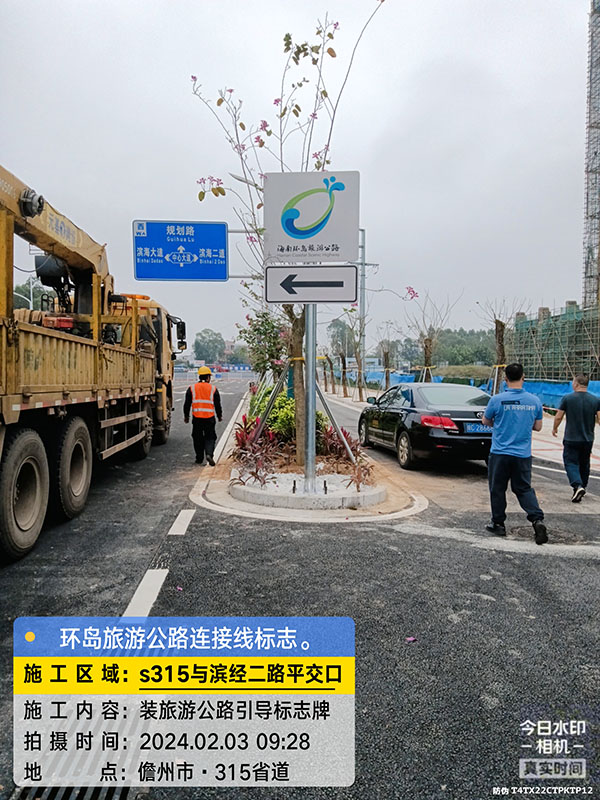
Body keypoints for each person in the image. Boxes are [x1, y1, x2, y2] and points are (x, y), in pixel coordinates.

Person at [482, 363, 548, 545]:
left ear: (505, 379)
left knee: (497, 488)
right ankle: (537, 520)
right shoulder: (534, 401)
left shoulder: (496, 400)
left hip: (500, 453)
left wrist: (500, 423)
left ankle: (498, 524)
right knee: (523, 489)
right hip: (522, 454)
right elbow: (538, 427)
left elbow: (486, 421)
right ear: (523, 377)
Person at [552, 374, 600, 502]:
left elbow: (558, 416)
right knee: (584, 463)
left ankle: (577, 485)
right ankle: (582, 486)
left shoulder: (567, 398)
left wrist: (555, 428)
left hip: (571, 438)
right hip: (588, 438)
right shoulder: (595, 400)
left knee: (570, 462)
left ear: (576, 384)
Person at [184, 366, 222, 465]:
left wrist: (186, 416)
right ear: (208, 377)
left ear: (199, 376)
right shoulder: (213, 389)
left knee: (197, 438)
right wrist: (219, 416)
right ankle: (209, 454)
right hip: (209, 418)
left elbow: (187, 404)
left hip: (197, 418)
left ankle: (199, 458)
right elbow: (217, 404)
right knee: (210, 437)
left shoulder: (192, 388)